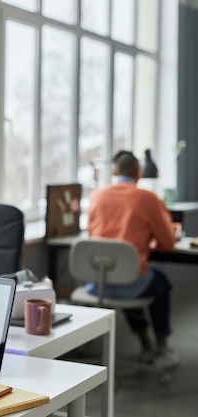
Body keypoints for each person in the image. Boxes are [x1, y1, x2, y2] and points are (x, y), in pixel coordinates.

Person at [87, 150, 179, 367]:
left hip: (97, 283)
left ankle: (145, 341)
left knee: (128, 275)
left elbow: (92, 236)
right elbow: (168, 243)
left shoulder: (97, 197)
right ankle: (161, 345)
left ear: (116, 171)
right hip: (130, 282)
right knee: (159, 282)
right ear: (138, 173)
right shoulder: (147, 199)